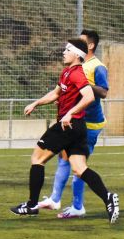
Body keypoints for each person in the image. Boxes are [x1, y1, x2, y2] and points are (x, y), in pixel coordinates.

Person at [10, 39, 119, 224]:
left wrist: (69, 113)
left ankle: (31, 205)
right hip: (77, 128)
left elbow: (89, 96)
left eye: (68, 49)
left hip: (67, 126)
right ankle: (108, 197)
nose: (63, 52)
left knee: (37, 159)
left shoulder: (77, 73)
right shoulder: (66, 72)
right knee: (79, 168)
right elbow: (55, 94)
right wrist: (36, 103)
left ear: (77, 55)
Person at [36, 30, 108, 219]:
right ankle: (55, 199)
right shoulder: (73, 68)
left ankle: (78, 206)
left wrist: (82, 84)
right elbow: (58, 92)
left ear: (89, 46)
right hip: (74, 120)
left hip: (90, 122)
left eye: (80, 43)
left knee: (78, 166)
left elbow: (103, 92)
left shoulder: (97, 67)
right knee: (64, 159)